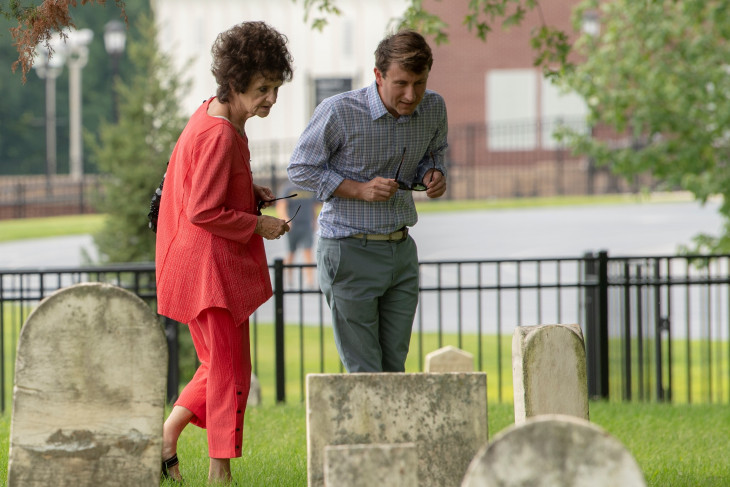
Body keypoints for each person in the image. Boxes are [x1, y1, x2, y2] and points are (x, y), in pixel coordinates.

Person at [154, 21, 293, 484]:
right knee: (231, 371)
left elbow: (202, 182)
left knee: (218, 365)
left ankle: (166, 437)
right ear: (234, 84)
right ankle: (220, 473)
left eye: (275, 86)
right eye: (261, 88)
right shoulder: (220, 134)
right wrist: (261, 225)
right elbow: (202, 209)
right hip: (210, 271)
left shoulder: (215, 115)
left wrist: (246, 188)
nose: (271, 97)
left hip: (196, 264)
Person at [287, 29, 448, 373]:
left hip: (402, 250)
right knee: (366, 373)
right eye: (401, 83)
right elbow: (300, 168)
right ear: (378, 75)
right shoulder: (339, 111)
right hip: (348, 249)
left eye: (419, 83)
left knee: (393, 368)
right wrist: (357, 189)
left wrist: (433, 173)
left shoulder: (433, 107)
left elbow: (434, 153)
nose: (411, 94)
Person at [275, 183, 318, 287]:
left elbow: (314, 206)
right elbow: (281, 205)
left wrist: (315, 220)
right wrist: (285, 219)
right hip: (293, 226)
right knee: (291, 252)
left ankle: (310, 280)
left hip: (306, 225)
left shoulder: (310, 188)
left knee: (308, 251)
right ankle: (288, 277)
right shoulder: (288, 188)